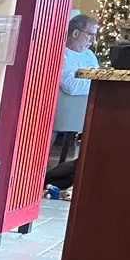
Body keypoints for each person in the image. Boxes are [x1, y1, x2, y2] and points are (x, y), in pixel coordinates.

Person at [52, 12, 99, 168]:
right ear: (76, 33)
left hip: (86, 108)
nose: (92, 41)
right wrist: (96, 84)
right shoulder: (62, 55)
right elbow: (71, 86)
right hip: (65, 112)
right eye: (89, 35)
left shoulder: (90, 55)